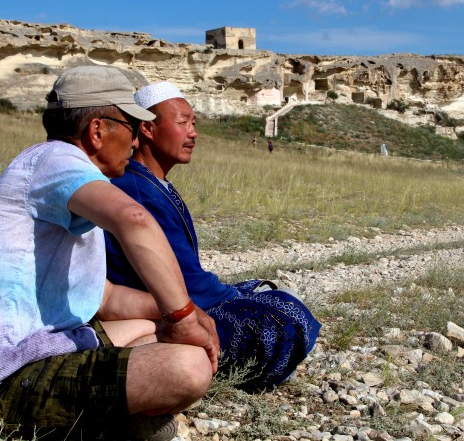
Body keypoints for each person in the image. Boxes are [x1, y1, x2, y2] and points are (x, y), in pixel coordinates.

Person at [0, 66, 219, 441]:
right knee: (189, 367)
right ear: (96, 131)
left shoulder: (69, 184)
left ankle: (103, 421)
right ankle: (93, 425)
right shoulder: (55, 160)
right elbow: (135, 220)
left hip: (42, 351)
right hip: (2, 378)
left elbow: (103, 297)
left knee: (160, 332)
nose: (135, 142)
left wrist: (190, 314)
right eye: (130, 127)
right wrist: (182, 317)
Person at [105, 82, 321, 391]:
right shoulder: (137, 189)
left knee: (272, 295)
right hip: (162, 307)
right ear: (148, 129)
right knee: (285, 312)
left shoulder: (148, 182)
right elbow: (185, 282)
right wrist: (234, 299)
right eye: (183, 122)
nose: (193, 133)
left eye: (194, 123)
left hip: (171, 301)